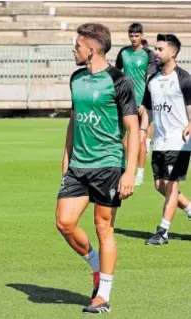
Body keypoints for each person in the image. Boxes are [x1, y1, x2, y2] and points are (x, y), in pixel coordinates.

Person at [56, 23, 139, 314]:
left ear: (92, 49)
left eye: (77, 46)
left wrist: (130, 172)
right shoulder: (76, 79)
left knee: (104, 226)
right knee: (64, 223)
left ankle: (103, 295)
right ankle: (95, 264)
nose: (73, 50)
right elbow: (73, 119)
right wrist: (66, 157)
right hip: (78, 165)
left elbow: (133, 128)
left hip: (108, 164)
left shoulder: (120, 81)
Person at [142, 34, 191, 245]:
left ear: (173, 52)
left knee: (171, 186)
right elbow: (148, 109)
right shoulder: (152, 80)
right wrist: (143, 129)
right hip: (159, 141)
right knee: (159, 185)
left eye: (160, 49)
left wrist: (190, 125)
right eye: (155, 48)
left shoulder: (184, 79)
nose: (156, 53)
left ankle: (163, 231)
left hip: (179, 142)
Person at [116, 23, 157, 186]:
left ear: (141, 35)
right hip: (124, 101)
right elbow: (117, 74)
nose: (134, 38)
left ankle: (140, 172)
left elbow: (150, 79)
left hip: (140, 103)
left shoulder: (148, 54)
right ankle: (126, 167)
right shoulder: (123, 52)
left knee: (140, 139)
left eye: (136, 35)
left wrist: (145, 102)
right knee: (121, 136)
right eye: (131, 35)